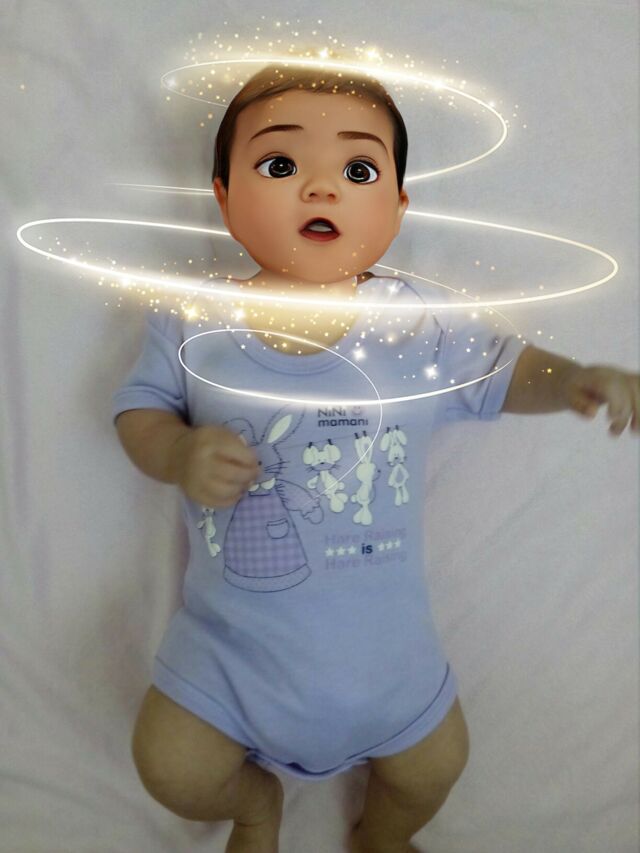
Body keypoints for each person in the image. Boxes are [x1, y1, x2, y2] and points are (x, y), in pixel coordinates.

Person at [112, 64, 639, 853]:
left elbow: (505, 369)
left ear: (397, 206)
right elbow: (139, 412)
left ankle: (379, 835)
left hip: (393, 670)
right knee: (169, 767)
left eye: (358, 170)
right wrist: (179, 449)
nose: (320, 188)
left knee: (435, 766)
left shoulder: (416, 324)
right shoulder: (196, 319)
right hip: (228, 660)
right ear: (223, 196)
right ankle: (255, 807)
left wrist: (572, 381)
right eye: (280, 164)